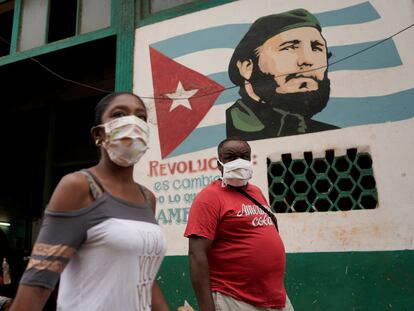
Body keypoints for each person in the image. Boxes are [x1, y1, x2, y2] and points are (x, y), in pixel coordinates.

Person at [10, 92, 170, 311]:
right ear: (98, 134)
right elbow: (38, 281)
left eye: (140, 117)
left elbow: (143, 278)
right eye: (119, 114)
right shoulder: (79, 187)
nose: (132, 122)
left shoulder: (147, 198)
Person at [184, 137, 293, 311]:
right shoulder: (209, 198)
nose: (239, 161)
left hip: (276, 298)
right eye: (231, 157)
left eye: (244, 156)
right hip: (235, 298)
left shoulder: (256, 192)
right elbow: (197, 255)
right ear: (219, 164)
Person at [226, 9, 338, 141]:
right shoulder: (233, 132)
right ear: (247, 67)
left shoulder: (333, 136)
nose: (307, 61)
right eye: (290, 47)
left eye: (316, 48)